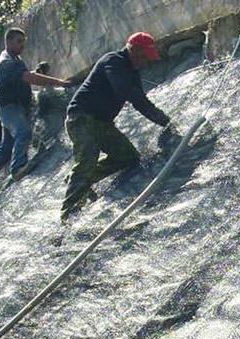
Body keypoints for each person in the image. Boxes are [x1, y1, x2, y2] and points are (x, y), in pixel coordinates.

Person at [61, 31, 178, 219]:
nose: (146, 62)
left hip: (102, 123)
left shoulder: (132, 72)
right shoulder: (113, 61)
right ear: (134, 50)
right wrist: (163, 121)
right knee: (86, 161)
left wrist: (166, 122)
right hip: (81, 118)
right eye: (144, 57)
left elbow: (142, 102)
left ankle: (82, 179)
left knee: (128, 157)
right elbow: (126, 91)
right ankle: (68, 216)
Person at [0, 28, 73, 191]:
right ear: (9, 41)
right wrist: (59, 82)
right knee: (23, 133)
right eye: (19, 41)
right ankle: (17, 168)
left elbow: (25, 77)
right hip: (10, 108)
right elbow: (29, 78)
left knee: (6, 147)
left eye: (24, 41)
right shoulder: (7, 62)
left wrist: (38, 74)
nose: (23, 45)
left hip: (11, 108)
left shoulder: (13, 58)